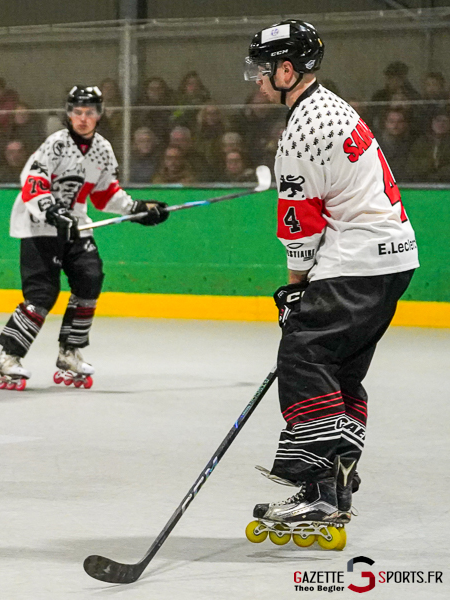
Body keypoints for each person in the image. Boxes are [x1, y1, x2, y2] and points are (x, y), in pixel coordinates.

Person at [243, 20, 417, 538]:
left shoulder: (301, 131)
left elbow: (300, 225)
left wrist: (296, 290)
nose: (256, 79)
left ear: (287, 71)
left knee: (304, 355)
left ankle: (318, 492)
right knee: (340, 371)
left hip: (357, 262)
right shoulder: (334, 106)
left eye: (262, 69)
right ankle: (336, 483)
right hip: (393, 259)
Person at [0, 86, 169, 391]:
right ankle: (8, 358)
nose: (83, 118)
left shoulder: (103, 149)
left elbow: (104, 194)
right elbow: (32, 182)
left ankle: (69, 353)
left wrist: (138, 209)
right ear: (69, 114)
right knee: (42, 294)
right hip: (39, 224)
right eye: (77, 112)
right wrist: (51, 210)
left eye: (89, 112)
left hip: (76, 225)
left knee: (90, 278)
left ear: (99, 115)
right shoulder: (56, 144)